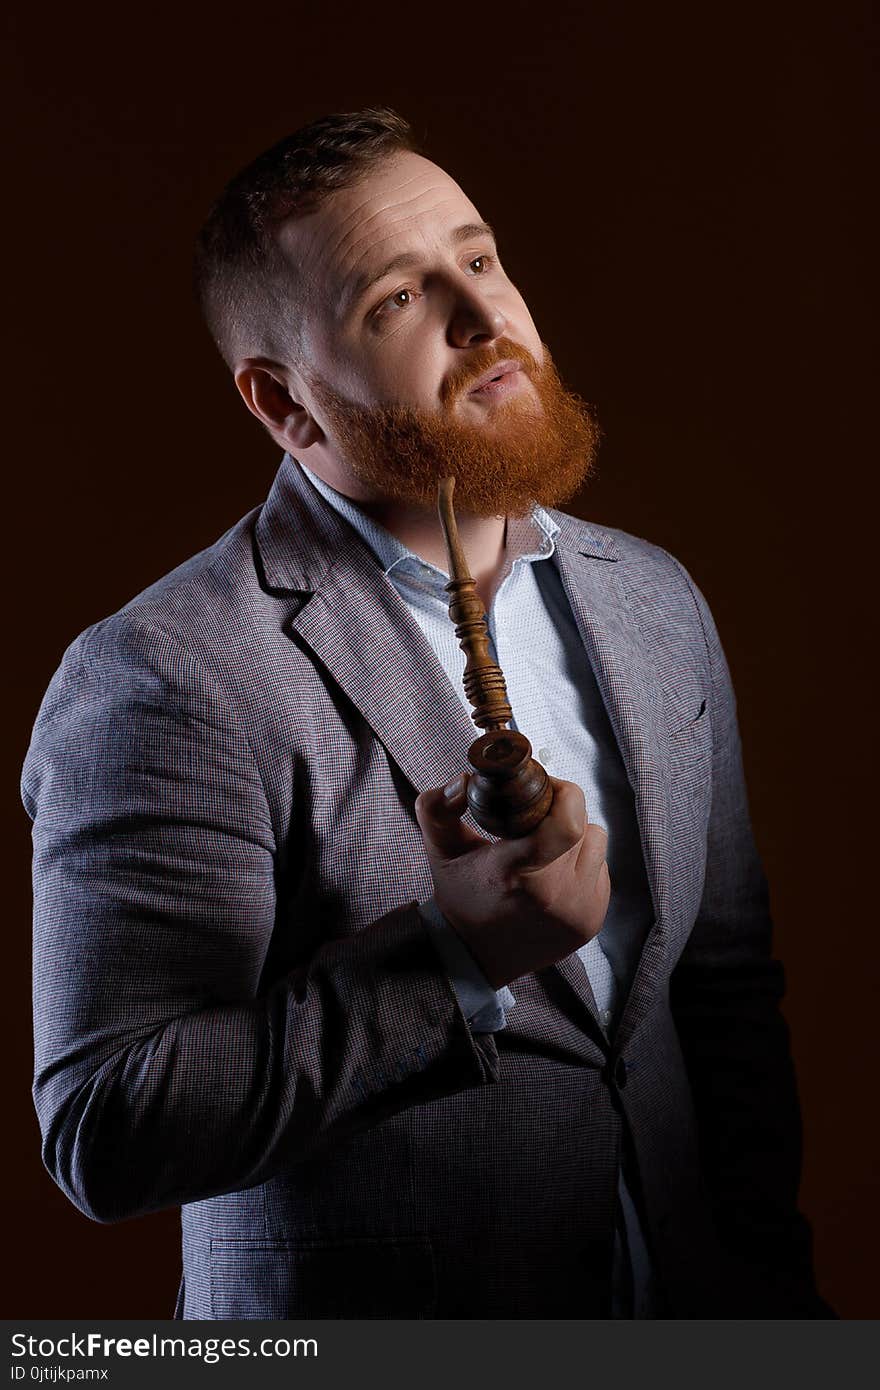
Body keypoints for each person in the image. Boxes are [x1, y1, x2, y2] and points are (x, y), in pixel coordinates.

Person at [22, 107, 830, 1320]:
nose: (482, 315)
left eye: (480, 256)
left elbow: (722, 994)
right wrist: (456, 960)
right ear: (287, 407)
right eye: (394, 301)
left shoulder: (654, 599)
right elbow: (108, 1124)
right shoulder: (164, 672)